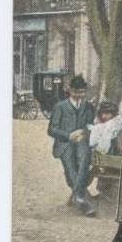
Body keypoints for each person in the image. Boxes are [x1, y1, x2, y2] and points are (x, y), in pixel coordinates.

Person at [47, 75, 96, 215]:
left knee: (84, 160)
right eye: (76, 92)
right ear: (69, 91)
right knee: (71, 170)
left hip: (82, 141)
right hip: (65, 144)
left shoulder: (88, 107)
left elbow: (93, 125)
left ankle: (79, 197)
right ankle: (82, 199)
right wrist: (68, 135)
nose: (79, 96)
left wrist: (84, 132)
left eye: (81, 92)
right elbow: (51, 129)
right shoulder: (60, 107)